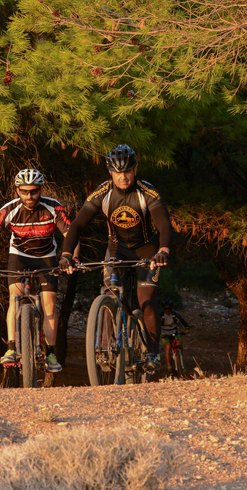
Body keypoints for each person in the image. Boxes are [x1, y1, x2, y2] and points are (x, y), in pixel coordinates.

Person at [60, 144, 172, 370]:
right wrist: (65, 254)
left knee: (147, 300)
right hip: (116, 249)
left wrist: (163, 251)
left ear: (135, 169)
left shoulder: (147, 192)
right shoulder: (102, 193)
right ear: (110, 172)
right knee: (110, 291)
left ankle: (152, 353)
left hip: (147, 250)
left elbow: (164, 224)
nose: (124, 176)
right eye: (118, 172)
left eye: (128, 171)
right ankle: (106, 346)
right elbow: (77, 225)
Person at [0, 169, 77, 372]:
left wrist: (68, 257)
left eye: (34, 191)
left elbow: (71, 235)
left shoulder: (53, 207)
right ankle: (11, 348)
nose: (29, 196)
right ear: (17, 190)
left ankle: (51, 354)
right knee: (15, 297)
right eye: (24, 191)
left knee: (49, 305)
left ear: (41, 189)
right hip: (19, 256)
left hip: (46, 258)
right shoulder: (9, 210)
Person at [160, 299, 190, 375]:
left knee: (179, 344)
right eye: (165, 308)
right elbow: (156, 326)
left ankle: (182, 364)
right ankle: (169, 366)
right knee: (168, 346)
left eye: (169, 308)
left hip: (174, 333)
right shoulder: (161, 316)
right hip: (164, 334)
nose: (167, 310)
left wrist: (187, 329)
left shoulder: (175, 314)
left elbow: (184, 322)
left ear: (171, 308)